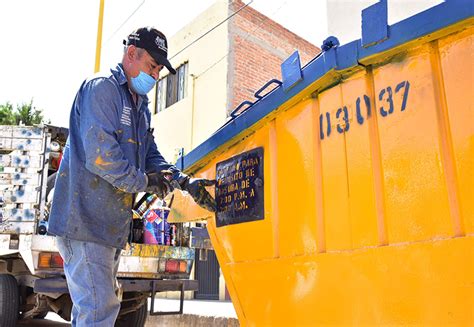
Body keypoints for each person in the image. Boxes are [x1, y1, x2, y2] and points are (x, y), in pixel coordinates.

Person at [48, 26, 216, 326]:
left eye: (157, 71)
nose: (154, 77)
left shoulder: (139, 106)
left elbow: (150, 154)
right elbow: (102, 157)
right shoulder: (102, 90)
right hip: (84, 222)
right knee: (98, 312)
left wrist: (183, 181)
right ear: (131, 54)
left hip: (108, 227)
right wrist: (145, 182)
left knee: (95, 310)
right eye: (151, 67)